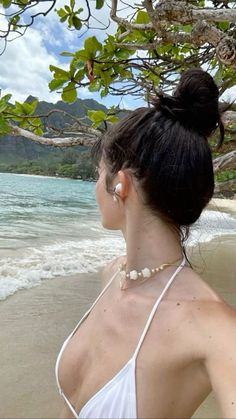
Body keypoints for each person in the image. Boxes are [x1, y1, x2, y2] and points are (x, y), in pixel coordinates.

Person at [55, 68, 236, 419]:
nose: (96, 187)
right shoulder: (110, 275)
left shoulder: (215, 329)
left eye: (97, 175)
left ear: (119, 185)